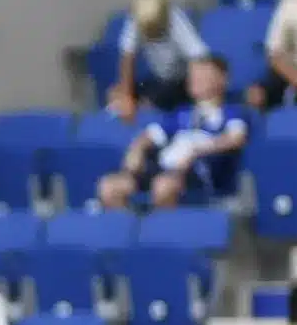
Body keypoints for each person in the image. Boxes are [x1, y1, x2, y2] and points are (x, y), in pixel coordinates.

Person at [97, 50, 247, 211]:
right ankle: (128, 232)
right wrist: (137, 148)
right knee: (109, 186)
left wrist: (198, 150)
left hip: (197, 171)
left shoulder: (232, 112)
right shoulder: (181, 113)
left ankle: (164, 234)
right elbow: (152, 134)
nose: (195, 80)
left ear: (222, 79)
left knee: (163, 187)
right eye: (193, 75)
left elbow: (236, 138)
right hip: (162, 168)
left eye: (203, 75)